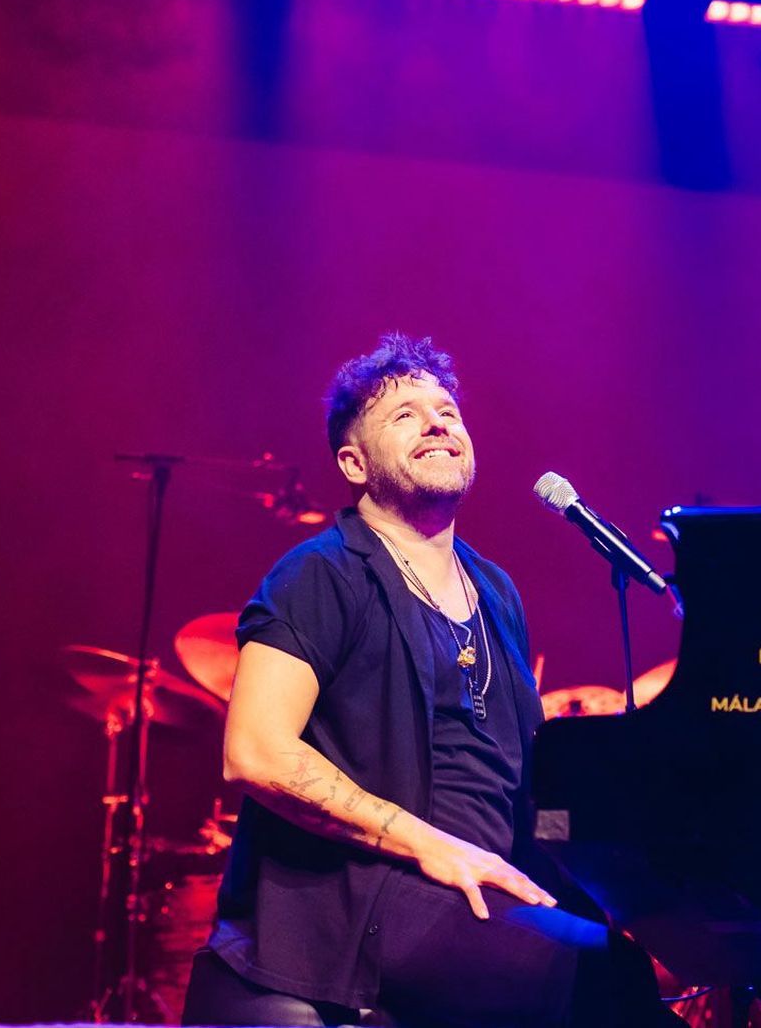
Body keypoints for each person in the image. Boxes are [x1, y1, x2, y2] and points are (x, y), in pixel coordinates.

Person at [181, 334, 678, 1028]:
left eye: (446, 410)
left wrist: (634, 876)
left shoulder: (496, 590)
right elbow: (256, 752)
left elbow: (526, 777)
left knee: (654, 967)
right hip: (368, 899)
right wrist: (432, 845)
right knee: (603, 976)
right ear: (354, 463)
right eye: (404, 415)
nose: (437, 421)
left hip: (480, 893)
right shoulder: (320, 574)